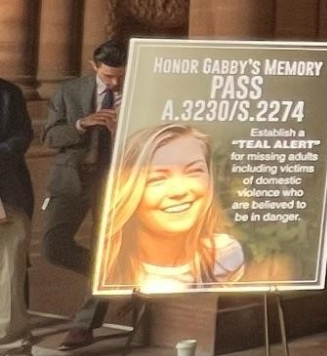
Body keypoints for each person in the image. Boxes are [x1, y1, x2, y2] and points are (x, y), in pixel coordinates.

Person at [94, 124, 248, 293]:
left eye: (194, 171)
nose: (179, 191)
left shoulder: (225, 254)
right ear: (129, 189)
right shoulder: (104, 265)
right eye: (157, 178)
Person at [45, 40, 126, 350]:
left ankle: (84, 325)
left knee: (106, 248)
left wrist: (120, 131)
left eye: (120, 76)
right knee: (54, 246)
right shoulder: (69, 91)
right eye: (108, 76)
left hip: (115, 180)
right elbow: (50, 136)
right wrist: (81, 124)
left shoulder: (138, 92)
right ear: (94, 67)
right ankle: (113, 277)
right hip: (71, 178)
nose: (114, 82)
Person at [0, 74, 49, 356]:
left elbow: (20, 136)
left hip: (6, 194)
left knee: (8, 276)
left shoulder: (9, 93)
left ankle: (11, 351)